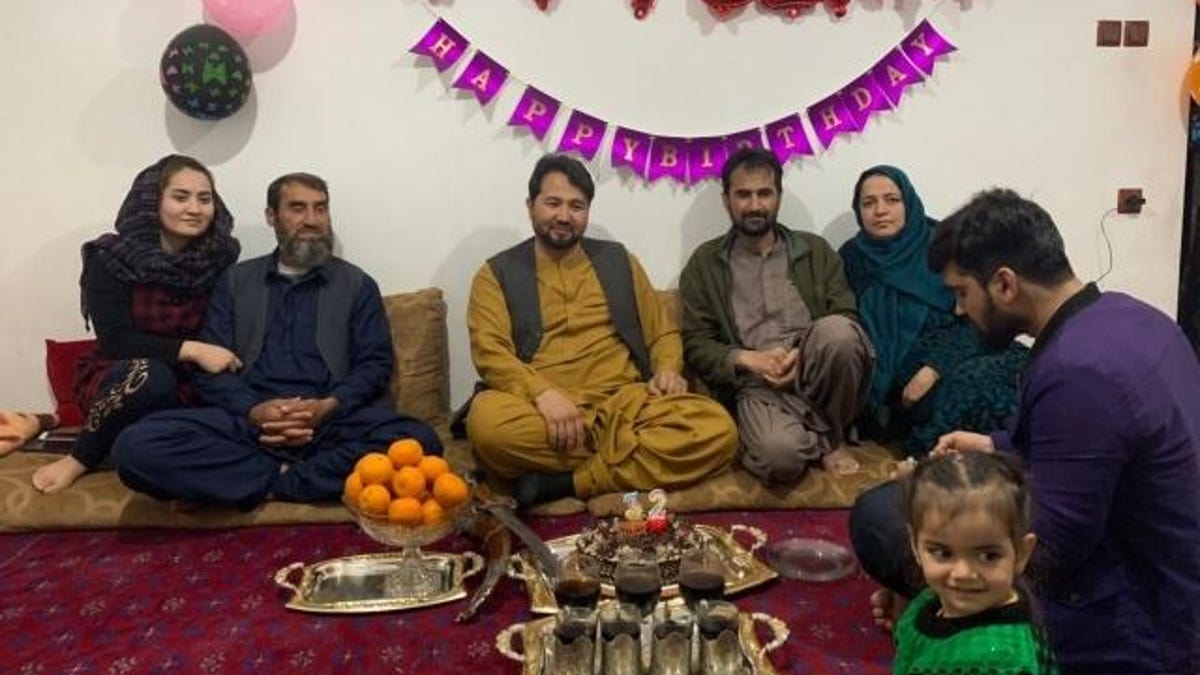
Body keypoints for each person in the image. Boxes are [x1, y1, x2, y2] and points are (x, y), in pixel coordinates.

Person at [850, 188, 1200, 674]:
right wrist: (993, 447)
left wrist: (934, 592)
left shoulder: (1081, 370)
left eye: (961, 293)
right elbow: (1090, 450)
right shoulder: (1129, 316)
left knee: (882, 515)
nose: (959, 310)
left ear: (1005, 284)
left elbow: (1054, 546)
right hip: (1161, 571)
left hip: (1135, 624)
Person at [112, 173, 441, 507]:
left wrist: (328, 406)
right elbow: (209, 373)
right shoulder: (236, 282)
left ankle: (267, 482)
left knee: (420, 440)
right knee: (136, 446)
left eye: (321, 209)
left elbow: (375, 364)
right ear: (272, 216)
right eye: (297, 208)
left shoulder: (356, 284)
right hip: (250, 424)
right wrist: (255, 410)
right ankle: (294, 478)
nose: (312, 220)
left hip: (330, 423)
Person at [463, 154, 737, 509]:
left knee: (719, 430)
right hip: (543, 412)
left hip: (624, 405)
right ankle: (629, 458)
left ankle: (571, 481)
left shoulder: (618, 261)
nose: (564, 216)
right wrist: (542, 393)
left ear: (588, 212)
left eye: (577, 206)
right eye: (553, 203)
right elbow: (490, 353)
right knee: (488, 426)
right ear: (530, 206)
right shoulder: (495, 274)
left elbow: (663, 333)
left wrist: (668, 369)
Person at [32, 155, 241, 493]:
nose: (195, 208)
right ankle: (81, 457)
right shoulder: (111, 257)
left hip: (192, 382)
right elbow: (117, 341)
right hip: (124, 377)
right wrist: (195, 350)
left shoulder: (220, 258)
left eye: (205, 199)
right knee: (151, 376)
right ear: (151, 201)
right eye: (180, 196)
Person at [679, 147, 873, 484]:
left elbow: (846, 315)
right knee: (779, 460)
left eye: (764, 193)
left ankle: (827, 437)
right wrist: (746, 358)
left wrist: (800, 357)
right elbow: (696, 342)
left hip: (816, 374)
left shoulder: (815, 250)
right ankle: (827, 439)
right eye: (743, 194)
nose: (755, 205)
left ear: (778, 197)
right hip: (757, 386)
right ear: (727, 200)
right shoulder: (704, 264)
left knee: (840, 334)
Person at [838, 166, 1026, 457]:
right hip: (903, 388)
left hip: (967, 352)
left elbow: (986, 316)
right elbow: (844, 323)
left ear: (908, 202)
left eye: (892, 199)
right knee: (970, 393)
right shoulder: (852, 258)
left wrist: (934, 367)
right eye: (868, 203)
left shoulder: (943, 246)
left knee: (1019, 380)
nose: (880, 210)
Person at [892, 451, 1056, 674]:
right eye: (942, 553)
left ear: (1021, 553)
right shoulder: (931, 600)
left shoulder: (998, 661)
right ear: (915, 546)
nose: (963, 573)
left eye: (988, 556)